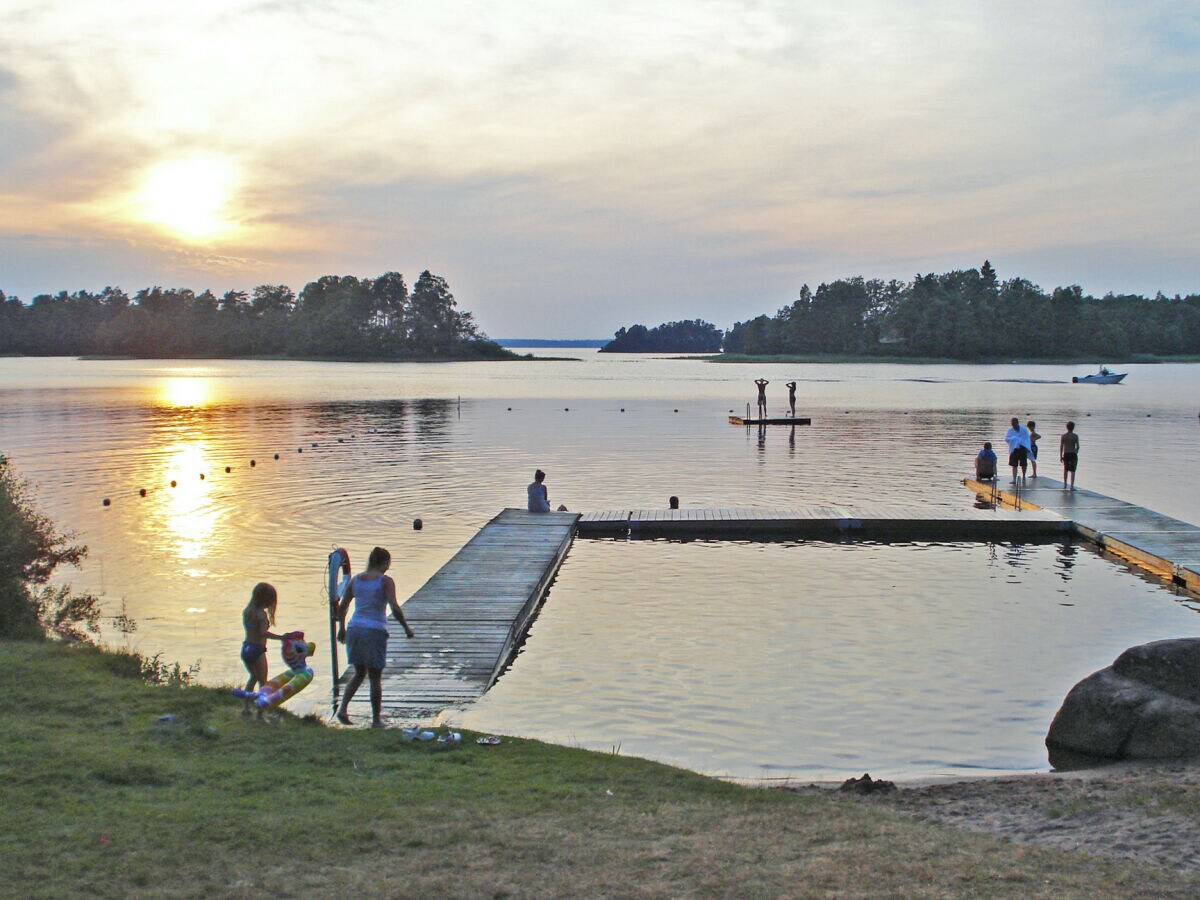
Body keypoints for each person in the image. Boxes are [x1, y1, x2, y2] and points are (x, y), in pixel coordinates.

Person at [334, 547, 414, 727]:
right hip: (374, 630)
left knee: (359, 673)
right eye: (388, 564)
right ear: (384, 563)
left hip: (354, 628)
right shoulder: (385, 581)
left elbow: (343, 607)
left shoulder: (356, 580)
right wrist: (406, 628)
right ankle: (376, 720)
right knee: (375, 677)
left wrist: (341, 629)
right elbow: (394, 607)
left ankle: (342, 709)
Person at [240, 582, 282, 718]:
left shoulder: (247, 611)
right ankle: (260, 712)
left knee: (253, 677)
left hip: (246, 648)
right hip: (257, 650)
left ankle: (245, 708)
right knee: (263, 682)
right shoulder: (261, 615)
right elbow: (263, 633)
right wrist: (283, 638)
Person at [1004, 417, 1031, 484]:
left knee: (1023, 464)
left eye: (1014, 423)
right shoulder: (1010, 430)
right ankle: (1014, 479)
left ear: (1017, 423)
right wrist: (1014, 439)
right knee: (1014, 465)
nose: (1013, 425)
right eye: (1012, 423)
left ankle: (1024, 476)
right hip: (1014, 449)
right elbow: (1007, 438)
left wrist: (1028, 447)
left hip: (1023, 448)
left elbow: (1027, 439)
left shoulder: (1023, 429)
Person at [1060, 421, 1080, 490]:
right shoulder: (1075, 436)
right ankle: (1071, 486)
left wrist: (1060, 456)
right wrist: (1076, 452)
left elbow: (1061, 447)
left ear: (1067, 427)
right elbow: (1078, 446)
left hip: (1066, 453)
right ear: (1073, 428)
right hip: (1072, 453)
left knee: (1065, 469)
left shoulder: (1063, 436)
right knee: (1073, 470)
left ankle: (1065, 484)